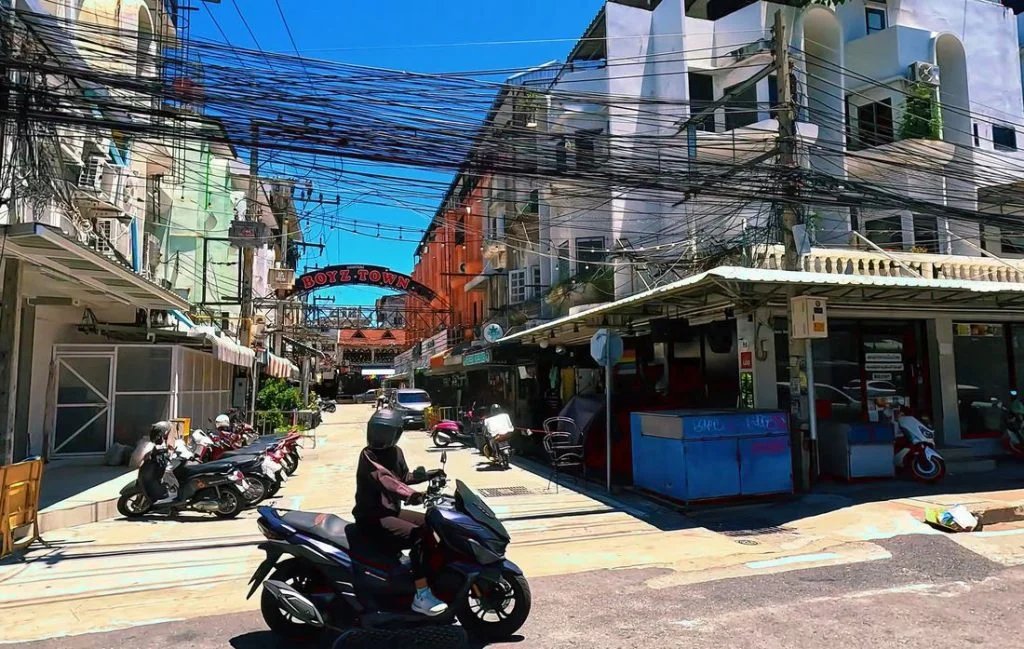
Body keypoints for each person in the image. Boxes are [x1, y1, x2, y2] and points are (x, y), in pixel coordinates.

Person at [353, 408, 447, 616]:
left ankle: (434, 577)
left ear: (395, 433)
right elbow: (386, 479)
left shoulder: (396, 452)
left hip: (391, 511)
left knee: (433, 525)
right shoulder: (368, 455)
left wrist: (429, 475)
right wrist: (414, 496)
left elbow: (403, 477)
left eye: (384, 431)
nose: (379, 436)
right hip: (372, 517)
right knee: (419, 537)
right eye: (376, 430)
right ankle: (421, 594)